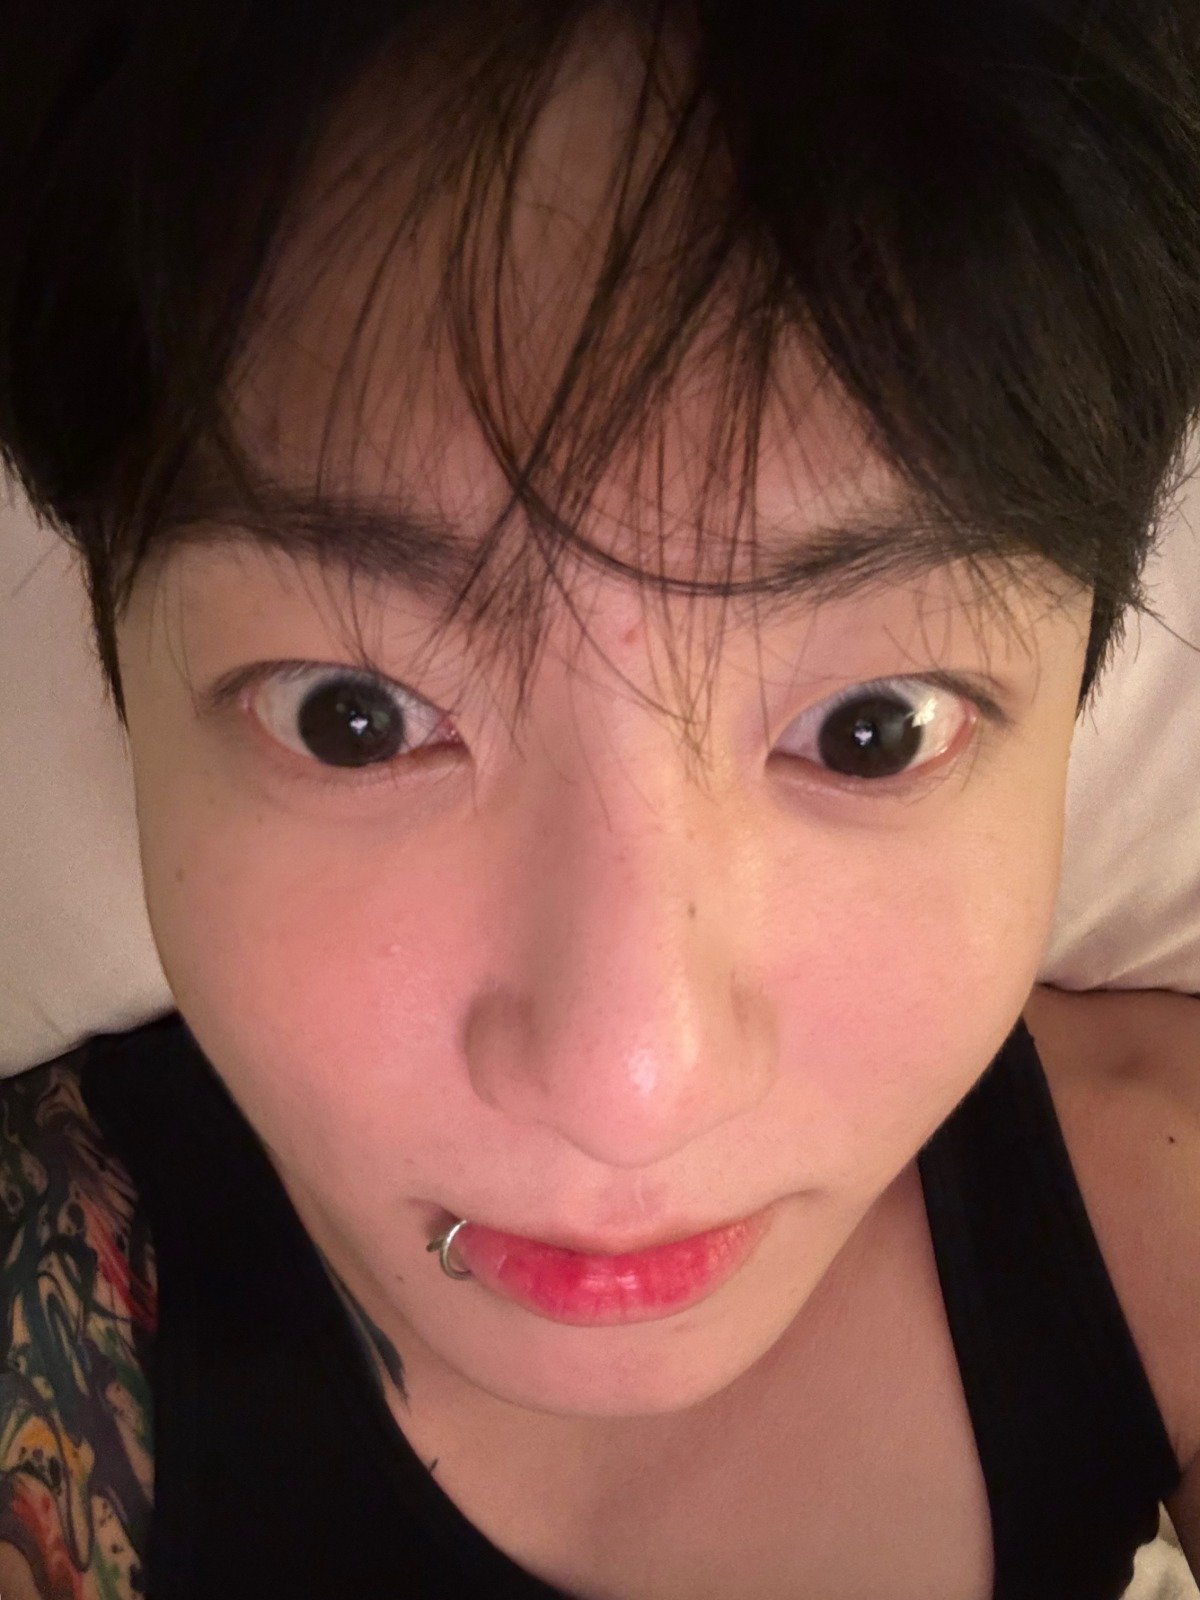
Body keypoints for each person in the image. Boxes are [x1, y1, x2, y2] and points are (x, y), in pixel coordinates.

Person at [1, 2, 1199, 1596]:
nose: (631, 1086)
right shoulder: (55, 1309)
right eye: (354, 719)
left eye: (871, 731)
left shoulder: (1161, 1209)